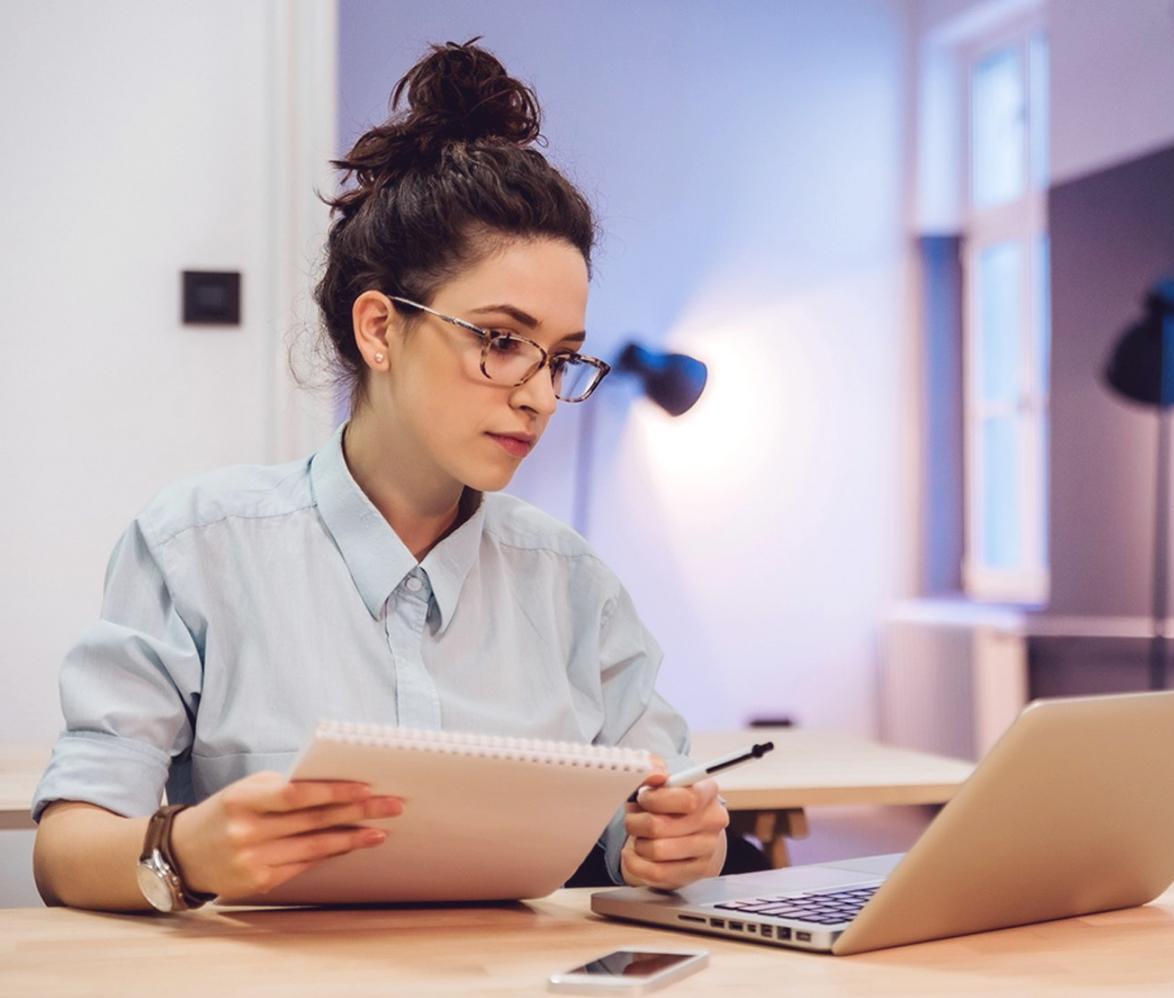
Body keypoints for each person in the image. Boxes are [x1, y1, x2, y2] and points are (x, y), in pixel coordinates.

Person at [33, 39, 755, 912]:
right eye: (499, 341)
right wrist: (184, 852)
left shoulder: (572, 585)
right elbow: (65, 852)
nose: (537, 396)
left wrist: (674, 842)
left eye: (562, 359)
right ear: (379, 329)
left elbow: (654, 813)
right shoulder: (196, 547)